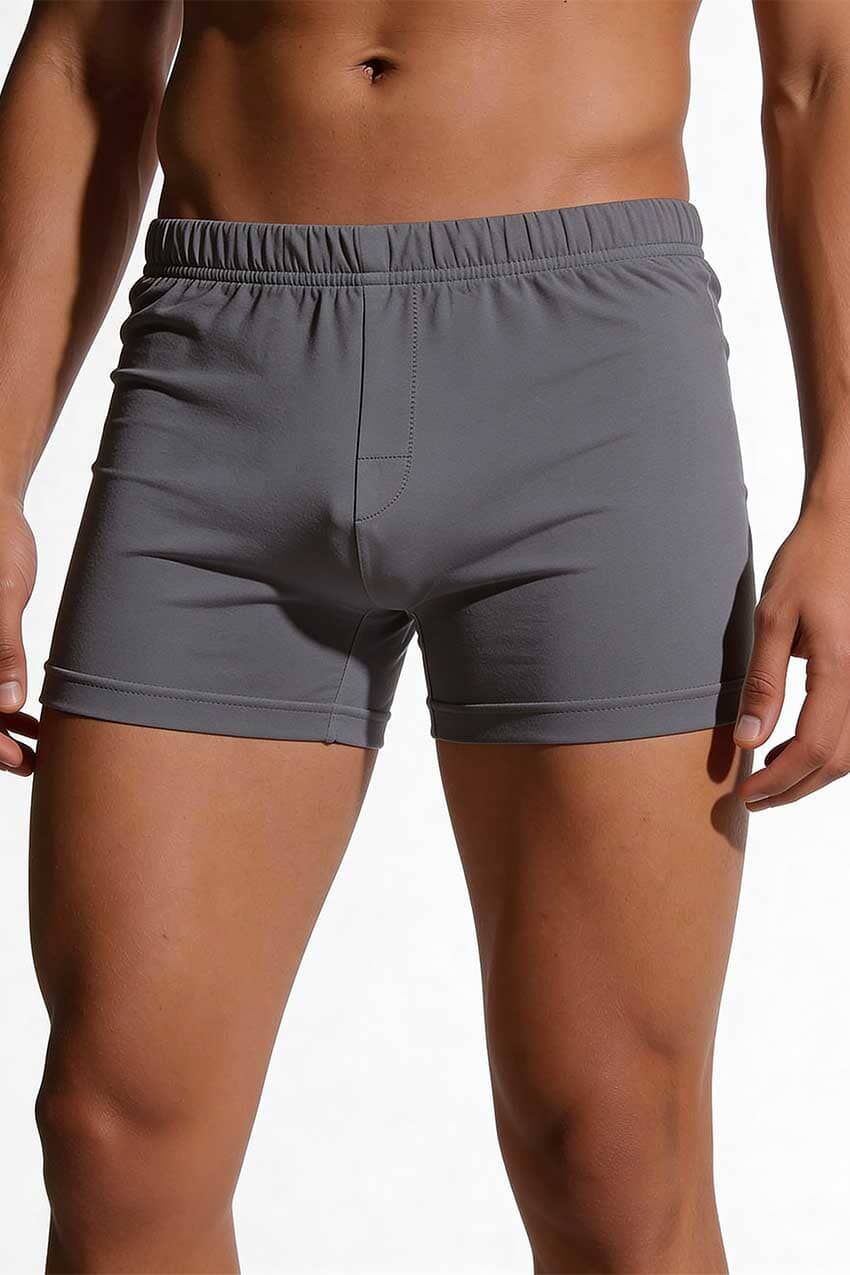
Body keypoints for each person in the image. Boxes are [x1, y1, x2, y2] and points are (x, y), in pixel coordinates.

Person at [1, 1, 848, 1271]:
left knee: (611, 1149)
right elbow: (83, 55)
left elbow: (823, 71)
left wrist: (845, 492)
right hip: (219, 377)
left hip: (588, 384)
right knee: (112, 1135)